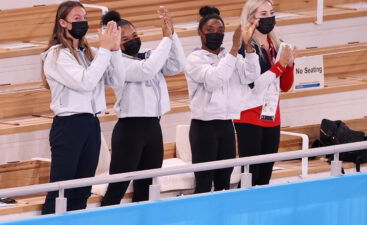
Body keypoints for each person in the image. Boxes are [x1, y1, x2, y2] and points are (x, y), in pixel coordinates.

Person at [185, 5, 290, 194]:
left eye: (220, 30)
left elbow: (250, 75)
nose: (216, 34)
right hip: (204, 126)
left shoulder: (229, 55)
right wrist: (235, 49)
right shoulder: (194, 58)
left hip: (226, 125)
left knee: (224, 182)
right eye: (210, 30)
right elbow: (214, 80)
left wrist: (248, 46)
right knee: (204, 182)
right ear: (200, 33)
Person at [40, 1, 125, 214]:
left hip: (91, 123)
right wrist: (105, 50)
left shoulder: (90, 53)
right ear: (63, 23)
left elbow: (116, 80)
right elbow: (85, 82)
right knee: (61, 189)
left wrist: (114, 50)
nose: (83, 22)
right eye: (77, 18)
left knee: (83, 189)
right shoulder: (57, 55)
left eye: (85, 18)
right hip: (68, 125)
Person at [100, 7, 186, 206]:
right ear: (116, 44)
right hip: (130, 130)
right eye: (125, 39)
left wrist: (172, 34)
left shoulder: (148, 57)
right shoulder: (119, 63)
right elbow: (146, 71)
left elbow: (176, 65)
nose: (132, 40)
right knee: (117, 187)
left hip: (153, 128)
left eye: (135, 35)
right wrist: (165, 40)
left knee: (146, 186)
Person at [234, 0, 296, 186]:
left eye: (271, 12)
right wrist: (280, 66)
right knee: (251, 173)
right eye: (264, 14)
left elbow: (285, 86)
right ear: (252, 17)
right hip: (249, 114)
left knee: (265, 174)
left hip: (272, 113)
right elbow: (256, 85)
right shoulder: (245, 47)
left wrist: (290, 65)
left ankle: (261, 213)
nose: (269, 18)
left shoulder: (278, 44)